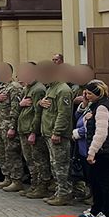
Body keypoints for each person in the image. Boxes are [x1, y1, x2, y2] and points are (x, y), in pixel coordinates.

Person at [76, 80, 109, 217]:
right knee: (95, 182)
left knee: (104, 183)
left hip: (103, 151)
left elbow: (101, 133)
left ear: (97, 94)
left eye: (89, 94)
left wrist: (92, 152)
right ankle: (97, 209)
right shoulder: (97, 105)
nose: (87, 96)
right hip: (102, 150)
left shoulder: (102, 107)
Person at [40, 64, 77, 206]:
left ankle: (64, 193)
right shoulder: (50, 88)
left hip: (57, 134)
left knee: (61, 165)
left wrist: (57, 132)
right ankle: (59, 191)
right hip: (48, 131)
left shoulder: (63, 90)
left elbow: (64, 114)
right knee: (54, 164)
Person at [16, 63, 52, 199]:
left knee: (39, 161)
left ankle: (42, 186)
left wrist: (33, 132)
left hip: (31, 129)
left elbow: (38, 113)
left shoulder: (38, 89)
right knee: (30, 160)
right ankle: (34, 184)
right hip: (24, 128)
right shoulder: (28, 88)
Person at [0, 64, 26, 192]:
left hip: (8, 125)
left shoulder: (14, 87)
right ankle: (7, 177)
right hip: (0, 125)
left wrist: (12, 127)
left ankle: (16, 180)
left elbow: (15, 108)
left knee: (12, 154)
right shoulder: (3, 87)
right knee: (2, 153)